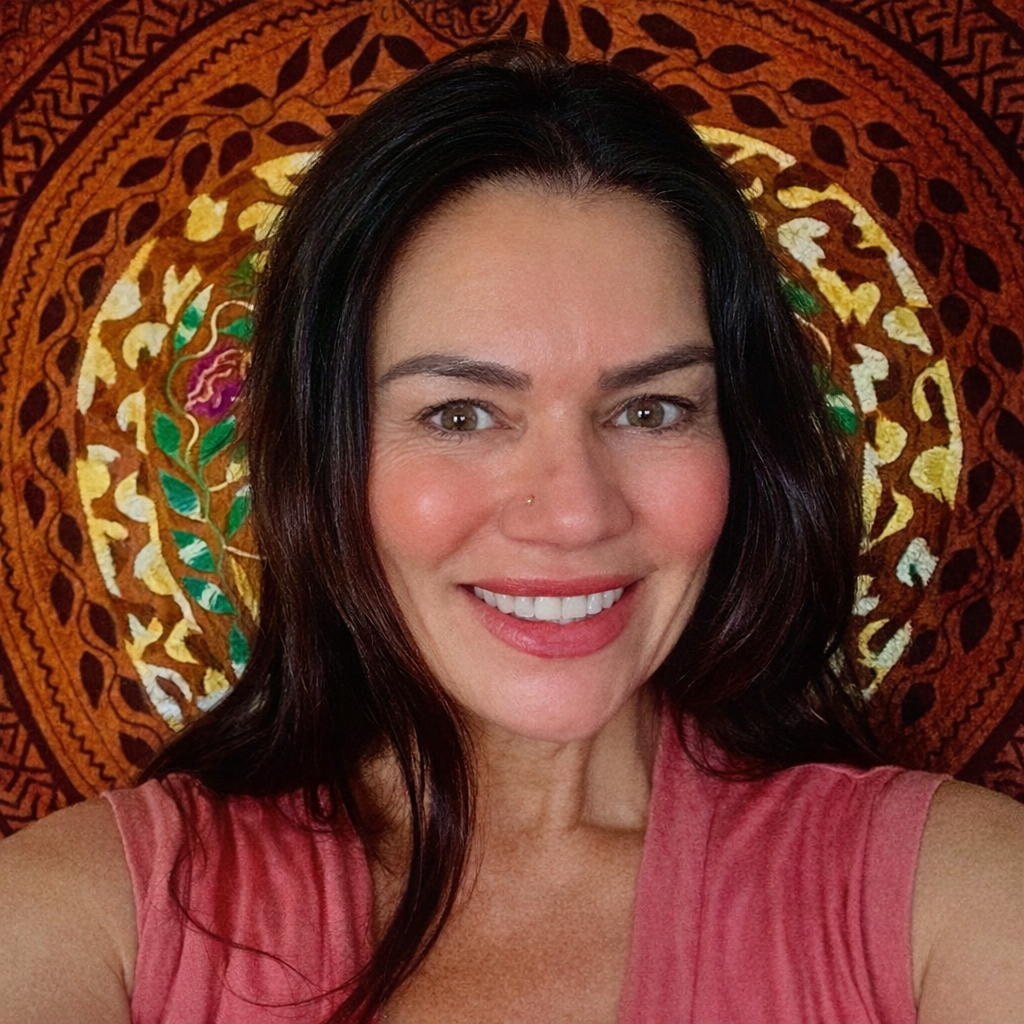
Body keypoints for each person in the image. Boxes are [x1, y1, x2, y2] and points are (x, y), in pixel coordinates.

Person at [1, 39, 1022, 1024]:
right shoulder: (86, 923)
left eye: (652, 409)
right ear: (325, 458)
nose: (575, 510)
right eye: (459, 414)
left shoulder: (960, 905)